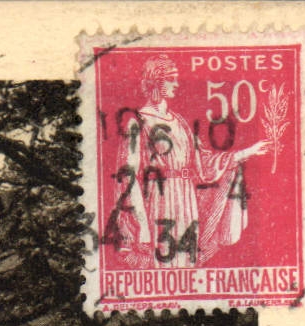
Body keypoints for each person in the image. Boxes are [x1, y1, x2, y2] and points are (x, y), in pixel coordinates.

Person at [111, 53, 267, 268]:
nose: (176, 84)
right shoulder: (137, 122)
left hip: (186, 199)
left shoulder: (181, 122)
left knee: (185, 263)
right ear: (157, 81)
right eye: (170, 79)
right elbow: (128, 176)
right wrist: (142, 225)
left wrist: (246, 152)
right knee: (163, 261)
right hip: (159, 200)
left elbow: (203, 163)